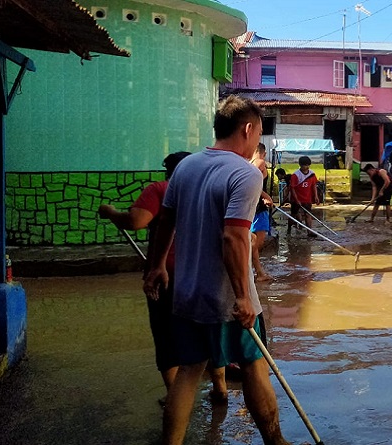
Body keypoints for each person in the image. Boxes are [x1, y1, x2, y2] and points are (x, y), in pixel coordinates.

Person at [143, 95, 290, 445]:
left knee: (189, 372)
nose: (258, 142)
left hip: (188, 293)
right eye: (258, 134)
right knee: (254, 365)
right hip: (226, 299)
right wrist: (242, 297)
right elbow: (234, 237)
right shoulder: (245, 173)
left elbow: (166, 221)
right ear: (249, 128)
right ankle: (276, 441)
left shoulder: (187, 167)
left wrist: (158, 266)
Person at [97, 151, 228, 405]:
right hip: (205, 273)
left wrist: (111, 212)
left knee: (166, 336)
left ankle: (175, 396)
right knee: (207, 330)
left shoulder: (160, 189)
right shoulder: (211, 190)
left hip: (168, 273)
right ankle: (219, 387)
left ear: (168, 171)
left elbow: (136, 221)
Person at [250, 143, 274, 282]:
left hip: (254, 206)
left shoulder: (249, 162)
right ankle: (247, 270)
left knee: (253, 243)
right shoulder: (260, 162)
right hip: (259, 209)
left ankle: (259, 273)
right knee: (257, 243)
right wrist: (266, 197)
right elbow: (251, 183)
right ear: (263, 153)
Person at [288, 156, 319, 237]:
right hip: (296, 199)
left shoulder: (311, 174)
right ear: (300, 165)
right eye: (305, 165)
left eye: (308, 165)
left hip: (307, 199)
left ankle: (309, 231)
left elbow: (314, 185)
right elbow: (293, 188)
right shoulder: (296, 175)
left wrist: (316, 196)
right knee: (293, 215)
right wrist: (296, 199)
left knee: (308, 215)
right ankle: (289, 229)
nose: (307, 167)